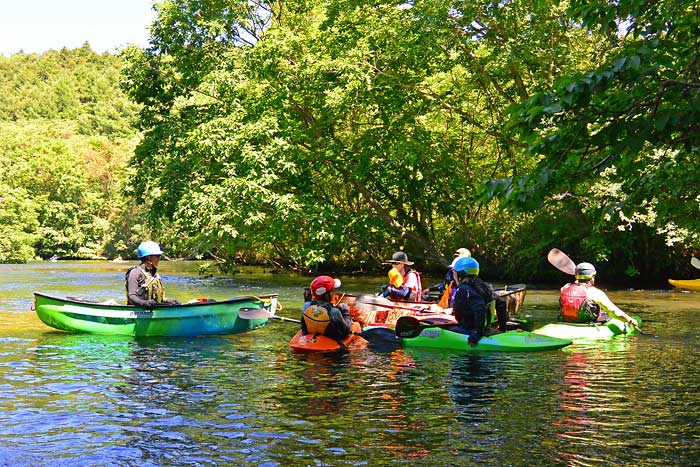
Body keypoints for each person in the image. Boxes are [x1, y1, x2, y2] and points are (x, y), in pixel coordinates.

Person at [449, 256, 507, 346]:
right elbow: (501, 303)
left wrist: (476, 334)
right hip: (486, 328)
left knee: (439, 331)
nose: (453, 276)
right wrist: (502, 328)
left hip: (471, 330)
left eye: (454, 273)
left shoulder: (464, 289)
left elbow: (479, 309)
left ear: (460, 273)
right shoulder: (484, 286)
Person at [559, 262, 639, 326]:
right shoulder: (595, 292)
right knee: (608, 314)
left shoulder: (564, 288)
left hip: (566, 321)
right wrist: (630, 320)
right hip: (585, 324)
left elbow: (574, 288)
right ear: (592, 277)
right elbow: (614, 312)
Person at [125, 241, 180, 309]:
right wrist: (144, 303)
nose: (159, 259)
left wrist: (171, 301)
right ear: (149, 258)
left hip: (151, 308)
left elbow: (158, 299)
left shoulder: (154, 275)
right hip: (139, 310)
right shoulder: (135, 273)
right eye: (158, 256)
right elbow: (132, 296)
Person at [301, 276, 352, 341]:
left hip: (311, 333)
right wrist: (345, 312)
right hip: (330, 338)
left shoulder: (306, 305)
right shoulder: (334, 311)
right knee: (355, 325)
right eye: (333, 290)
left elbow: (303, 325)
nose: (334, 292)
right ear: (327, 294)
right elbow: (346, 331)